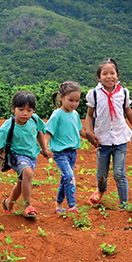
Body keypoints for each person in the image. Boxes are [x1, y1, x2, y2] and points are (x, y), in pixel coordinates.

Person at [0, 91, 51, 219]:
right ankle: (28, 206)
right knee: (27, 173)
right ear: (13, 108)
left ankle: (8, 203)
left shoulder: (34, 119)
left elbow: (39, 131)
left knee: (21, 183)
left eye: (29, 110)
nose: (25, 113)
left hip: (31, 156)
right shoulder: (9, 125)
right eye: (21, 109)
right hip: (16, 157)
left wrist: (44, 148)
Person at [85, 58, 132, 209]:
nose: (109, 76)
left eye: (112, 73)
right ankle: (101, 189)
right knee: (102, 173)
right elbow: (89, 115)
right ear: (99, 77)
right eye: (105, 73)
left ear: (117, 75)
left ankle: (124, 205)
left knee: (119, 173)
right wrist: (89, 132)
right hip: (102, 140)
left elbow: (127, 110)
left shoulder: (123, 92)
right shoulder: (94, 94)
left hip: (120, 138)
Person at [44, 81, 88, 213]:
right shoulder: (57, 114)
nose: (74, 104)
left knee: (65, 178)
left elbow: (79, 131)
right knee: (69, 176)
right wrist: (45, 146)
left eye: (77, 100)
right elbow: (49, 131)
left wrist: (92, 137)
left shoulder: (75, 114)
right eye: (71, 100)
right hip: (60, 153)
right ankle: (72, 205)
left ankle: (58, 203)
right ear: (61, 97)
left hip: (72, 153)